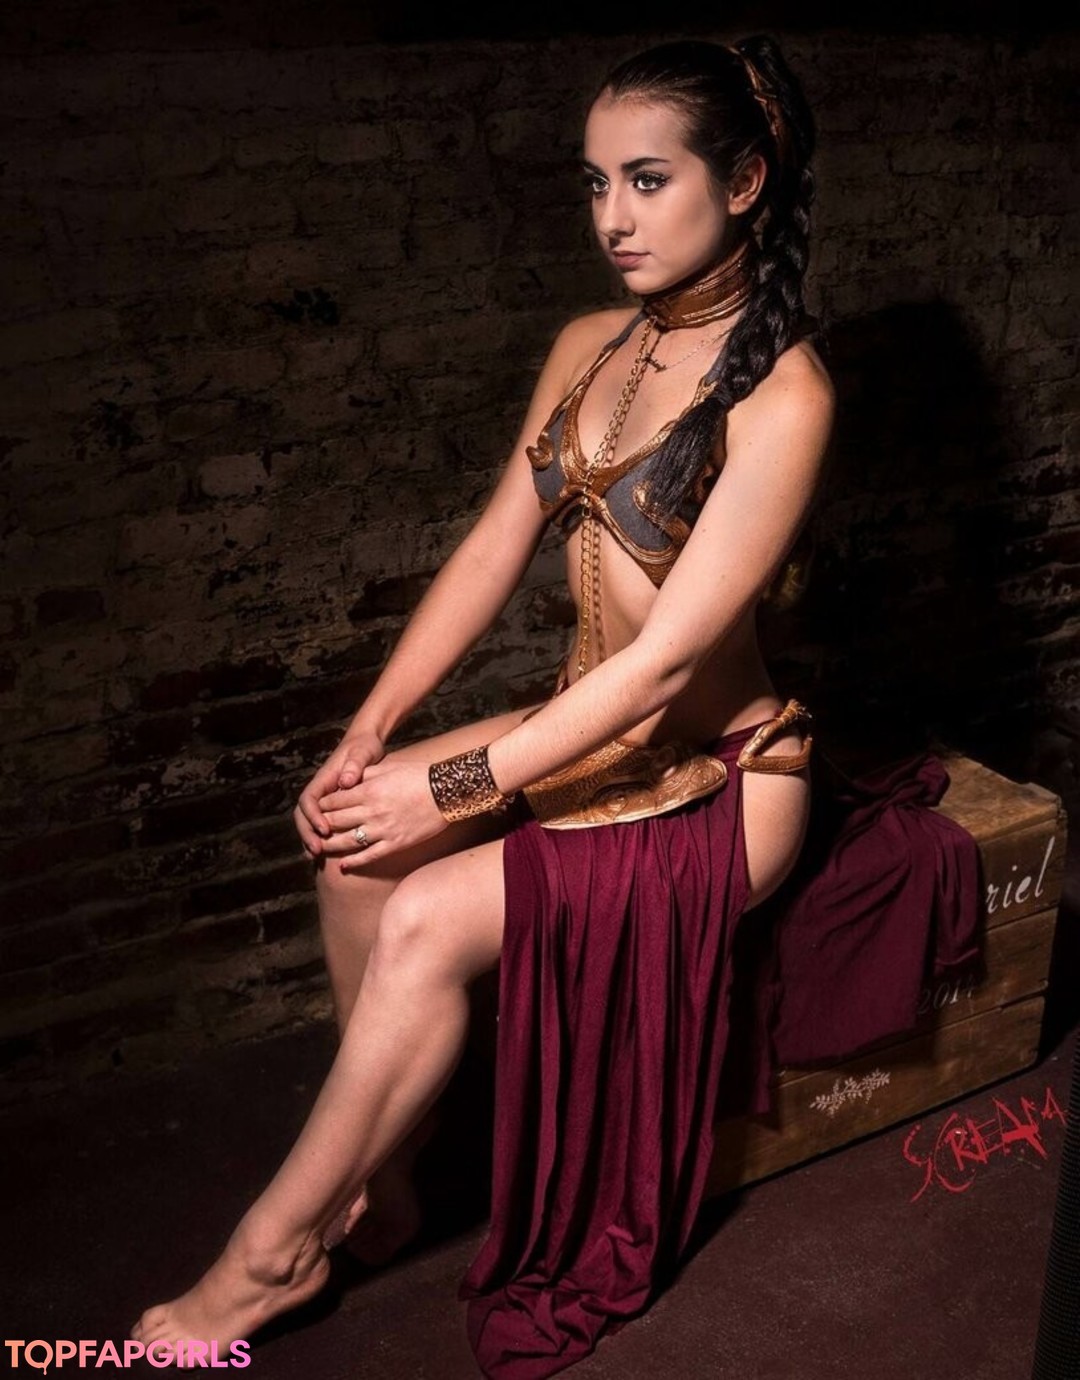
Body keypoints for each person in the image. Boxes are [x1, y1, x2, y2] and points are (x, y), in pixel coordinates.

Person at [133, 34, 836, 1376]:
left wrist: (456, 787)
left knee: (422, 915)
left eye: (647, 180)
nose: (613, 217)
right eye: (595, 183)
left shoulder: (786, 395)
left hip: (725, 777)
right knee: (352, 848)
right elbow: (491, 547)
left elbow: (663, 671)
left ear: (745, 182)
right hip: (589, 726)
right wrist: (370, 735)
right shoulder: (586, 343)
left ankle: (269, 1254)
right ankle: (384, 1188)